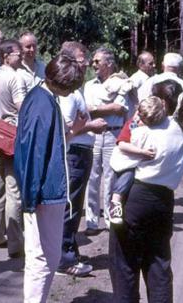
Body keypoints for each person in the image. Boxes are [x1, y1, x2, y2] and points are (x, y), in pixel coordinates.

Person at [108, 82, 183, 302]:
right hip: (164, 200)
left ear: (162, 104)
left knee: (125, 264)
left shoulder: (143, 133)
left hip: (136, 197)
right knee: (159, 264)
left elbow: (117, 158)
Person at [13, 54, 85, 303]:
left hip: (46, 190)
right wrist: (31, 197)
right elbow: (33, 150)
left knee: (45, 257)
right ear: (60, 82)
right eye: (72, 86)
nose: (72, 91)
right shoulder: (42, 103)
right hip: (44, 192)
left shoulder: (43, 97)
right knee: (43, 258)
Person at [57, 41, 107, 277]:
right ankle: (65, 258)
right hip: (74, 153)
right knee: (71, 206)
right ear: (68, 61)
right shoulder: (69, 93)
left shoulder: (74, 90)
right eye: (81, 58)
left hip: (78, 152)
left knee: (74, 205)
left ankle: (68, 251)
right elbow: (67, 128)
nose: (86, 62)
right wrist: (91, 125)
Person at [0, 39, 26, 258]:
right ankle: (16, 244)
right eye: (17, 53)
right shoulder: (14, 77)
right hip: (12, 135)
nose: (21, 56)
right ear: (6, 56)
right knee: (14, 190)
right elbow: (22, 106)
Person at [84, 47, 128, 234]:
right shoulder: (89, 85)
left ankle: (112, 220)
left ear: (109, 64)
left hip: (113, 134)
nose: (93, 65)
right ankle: (91, 222)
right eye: (93, 61)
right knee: (91, 179)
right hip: (93, 134)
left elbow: (120, 108)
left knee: (113, 178)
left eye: (97, 61)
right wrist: (106, 108)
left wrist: (96, 108)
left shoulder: (123, 83)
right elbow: (86, 110)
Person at [108, 96, 166, 224]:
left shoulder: (152, 130)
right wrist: (142, 152)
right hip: (125, 159)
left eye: (143, 118)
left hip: (138, 163)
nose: (138, 119)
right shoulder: (131, 125)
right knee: (128, 174)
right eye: (138, 114)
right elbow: (122, 144)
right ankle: (115, 201)